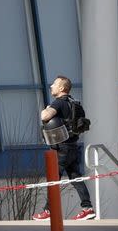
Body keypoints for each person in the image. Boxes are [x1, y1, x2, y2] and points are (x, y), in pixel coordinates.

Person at [32, 75, 95, 221]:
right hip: (74, 146)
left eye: (54, 84)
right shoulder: (76, 104)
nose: (51, 86)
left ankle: (49, 211)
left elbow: (45, 116)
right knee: (76, 178)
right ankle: (88, 209)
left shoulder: (59, 103)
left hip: (61, 149)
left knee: (53, 179)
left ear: (62, 88)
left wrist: (47, 109)